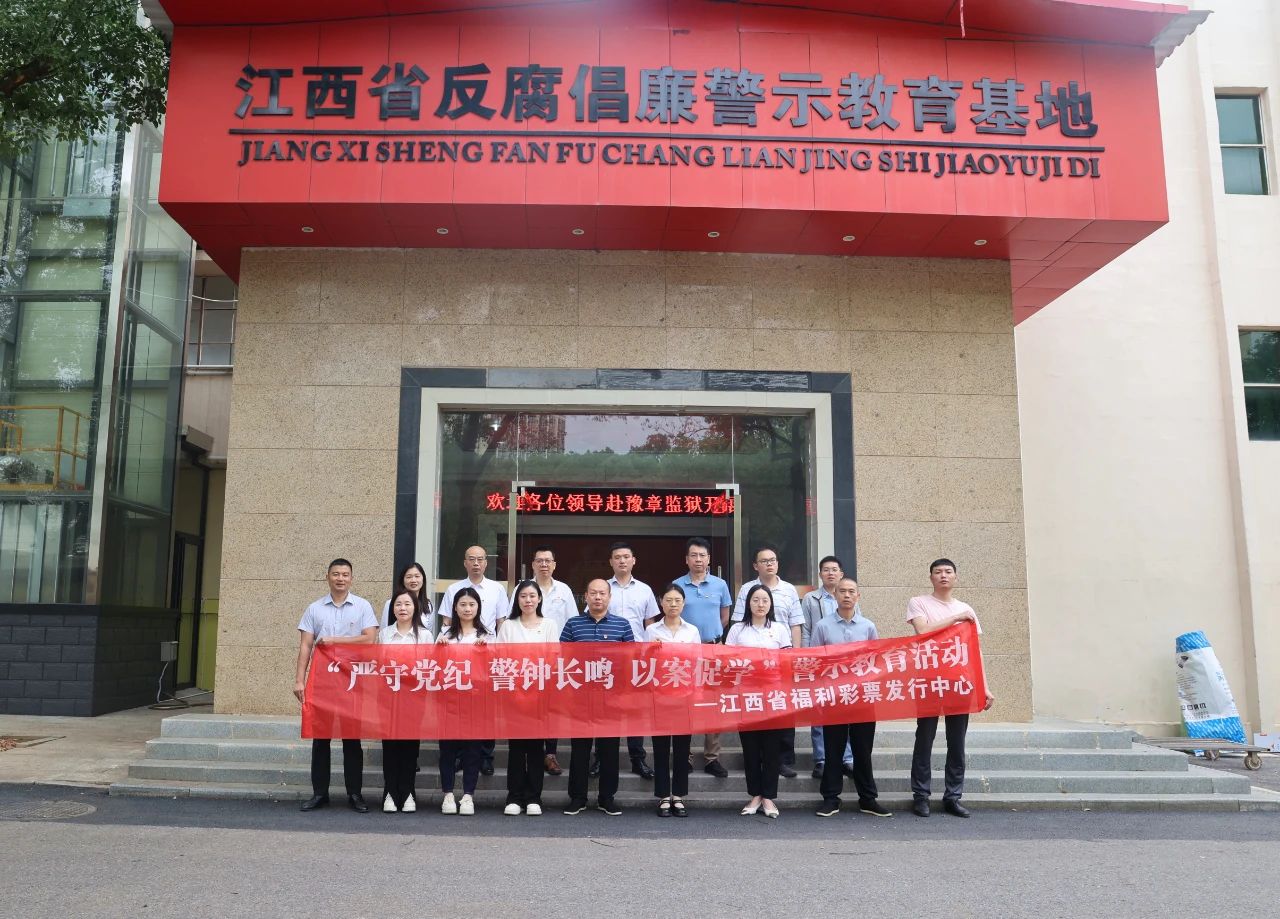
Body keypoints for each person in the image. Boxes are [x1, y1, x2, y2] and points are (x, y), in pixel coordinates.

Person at [906, 558, 995, 819]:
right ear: (931, 577)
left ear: (956, 577)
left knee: (957, 742)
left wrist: (984, 687)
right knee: (925, 738)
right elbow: (923, 631)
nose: (943, 575)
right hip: (929, 680)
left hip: (959, 682)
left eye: (948, 571)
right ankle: (921, 796)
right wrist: (956, 618)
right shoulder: (919, 602)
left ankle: (953, 796)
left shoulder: (967, 608)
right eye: (938, 572)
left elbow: (975, 651)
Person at [294, 558, 378, 813]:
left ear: (351, 578)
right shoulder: (314, 608)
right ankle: (320, 793)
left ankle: (355, 793)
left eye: (345, 574)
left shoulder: (362, 606)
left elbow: (369, 640)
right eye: (336, 574)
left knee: (352, 739)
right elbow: (305, 645)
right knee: (321, 739)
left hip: (352, 681)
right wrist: (299, 680)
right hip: (323, 682)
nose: (340, 578)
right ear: (327, 577)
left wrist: (334, 640)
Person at [811, 577, 891, 819]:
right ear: (835, 595)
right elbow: (814, 662)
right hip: (834, 697)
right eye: (842, 591)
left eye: (851, 591)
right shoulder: (823, 626)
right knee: (833, 750)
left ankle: (868, 799)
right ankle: (830, 799)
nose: (846, 595)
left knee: (862, 750)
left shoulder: (868, 627)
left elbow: (876, 661)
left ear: (858, 596)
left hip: (863, 697)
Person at [561, 578, 634, 816]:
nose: (598, 597)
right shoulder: (573, 624)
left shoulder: (622, 625)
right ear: (586, 596)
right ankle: (578, 797)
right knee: (579, 750)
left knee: (609, 750)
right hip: (580, 698)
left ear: (609, 597)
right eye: (593, 593)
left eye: (602, 593)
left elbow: (630, 661)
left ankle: (607, 798)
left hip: (611, 698)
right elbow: (561, 658)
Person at [731, 544, 803, 778]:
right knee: (754, 711)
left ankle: (783, 760)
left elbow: (795, 624)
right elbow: (738, 622)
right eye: (764, 561)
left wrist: (794, 658)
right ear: (756, 565)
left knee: (783, 711)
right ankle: (756, 758)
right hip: (750, 672)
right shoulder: (747, 589)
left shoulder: (789, 589)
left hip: (780, 661)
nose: (770, 564)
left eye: (773, 560)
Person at [589, 541, 658, 780]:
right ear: (611, 562)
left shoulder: (645, 590)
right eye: (617, 557)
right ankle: (600, 758)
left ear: (633, 560)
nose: (622, 560)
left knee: (633, 709)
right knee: (603, 710)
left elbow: (650, 625)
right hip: (604, 661)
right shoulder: (601, 589)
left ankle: (637, 758)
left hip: (634, 658)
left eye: (626, 556)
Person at [725, 583, 792, 819]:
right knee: (751, 749)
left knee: (772, 749)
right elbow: (727, 661)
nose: (760, 604)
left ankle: (769, 797)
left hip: (773, 697)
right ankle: (755, 795)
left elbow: (786, 663)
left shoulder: (780, 629)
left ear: (771, 604)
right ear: (748, 603)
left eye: (765, 600)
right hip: (746, 697)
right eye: (755, 600)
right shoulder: (737, 630)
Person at [439, 546, 507, 775]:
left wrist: (497, 652)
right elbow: (447, 622)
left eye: (480, 559)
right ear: (465, 562)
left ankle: (486, 757)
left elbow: (501, 623)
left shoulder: (497, 589)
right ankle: (460, 756)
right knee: (458, 710)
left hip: (485, 655)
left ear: (486, 562)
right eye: (472, 559)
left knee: (484, 712)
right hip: (457, 661)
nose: (476, 563)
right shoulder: (453, 589)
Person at [496, 580, 561, 816]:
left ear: (539, 599)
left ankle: (534, 797)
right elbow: (501, 659)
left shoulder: (550, 625)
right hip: (514, 694)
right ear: (517, 600)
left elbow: (553, 659)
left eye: (532, 596)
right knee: (516, 748)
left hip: (540, 694)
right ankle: (514, 797)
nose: (528, 600)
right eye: (523, 596)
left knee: (535, 747)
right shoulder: (508, 626)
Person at [673, 536, 733, 779]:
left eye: (702, 555)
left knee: (713, 705)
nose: (698, 559)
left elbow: (724, 618)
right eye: (694, 555)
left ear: (709, 559)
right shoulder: (677, 585)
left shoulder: (720, 585)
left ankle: (712, 758)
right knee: (684, 704)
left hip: (712, 650)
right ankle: (684, 756)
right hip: (685, 654)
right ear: (686, 559)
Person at [646, 583, 700, 817]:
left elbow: (698, 662)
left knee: (681, 748)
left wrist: (697, 693)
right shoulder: (651, 631)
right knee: (660, 748)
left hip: (685, 696)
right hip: (659, 696)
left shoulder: (692, 630)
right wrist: (651, 650)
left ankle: (678, 796)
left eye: (677, 600)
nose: (673, 604)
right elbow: (644, 662)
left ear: (684, 603)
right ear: (661, 603)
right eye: (668, 600)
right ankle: (662, 796)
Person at [435, 587, 489, 816]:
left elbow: (494, 670)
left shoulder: (487, 636)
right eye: (463, 604)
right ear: (455, 608)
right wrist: (438, 650)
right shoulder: (445, 636)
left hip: (476, 701)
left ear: (478, 608)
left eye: (471, 604)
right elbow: (434, 669)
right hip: (448, 701)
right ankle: (448, 794)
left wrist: (486, 652)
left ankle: (468, 795)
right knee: (447, 749)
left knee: (472, 750)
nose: (467, 609)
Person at [378, 588, 431, 813]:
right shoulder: (384, 634)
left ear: (415, 608)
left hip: (414, 699)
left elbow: (429, 667)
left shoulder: (425, 636)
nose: (403, 608)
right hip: (388, 699)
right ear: (393, 609)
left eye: (407, 604)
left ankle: (408, 792)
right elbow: (379, 665)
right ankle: (390, 793)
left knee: (410, 747)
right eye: (398, 604)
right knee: (390, 747)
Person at [801, 555, 853, 779]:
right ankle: (821, 759)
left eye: (834, 569)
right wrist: (806, 659)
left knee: (846, 711)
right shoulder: (810, 598)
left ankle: (847, 759)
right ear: (820, 574)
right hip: (819, 662)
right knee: (819, 712)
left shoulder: (849, 596)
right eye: (826, 569)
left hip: (844, 665)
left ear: (841, 574)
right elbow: (805, 629)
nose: (831, 573)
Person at [529, 545, 576, 776]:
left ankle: (550, 753)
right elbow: (512, 618)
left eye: (548, 560)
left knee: (551, 707)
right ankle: (532, 751)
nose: (544, 564)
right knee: (530, 706)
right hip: (528, 659)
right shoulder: (524, 588)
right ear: (533, 564)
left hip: (555, 659)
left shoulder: (564, 590)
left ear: (554, 565)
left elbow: (572, 623)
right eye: (540, 560)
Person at [381, 562, 433, 629]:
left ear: (423, 579)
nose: (413, 580)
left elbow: (429, 631)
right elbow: (384, 630)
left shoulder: (428, 605)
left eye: (417, 576)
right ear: (403, 580)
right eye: (409, 577)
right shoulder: (390, 603)